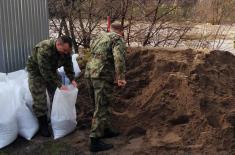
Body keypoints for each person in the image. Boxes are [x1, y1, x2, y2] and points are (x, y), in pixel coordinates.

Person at [85, 22, 127, 152]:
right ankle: (95, 141)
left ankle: (105, 129)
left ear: (110, 29)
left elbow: (91, 51)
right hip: (102, 75)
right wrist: (120, 77)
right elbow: (119, 58)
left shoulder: (99, 36)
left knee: (98, 105)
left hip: (89, 73)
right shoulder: (117, 39)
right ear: (121, 32)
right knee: (102, 107)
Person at [26, 36, 78, 137]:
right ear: (58, 44)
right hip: (36, 72)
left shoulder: (66, 50)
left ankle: (56, 116)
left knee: (57, 94)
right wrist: (59, 84)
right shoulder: (44, 49)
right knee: (40, 98)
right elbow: (45, 72)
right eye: (64, 50)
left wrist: (72, 79)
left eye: (68, 51)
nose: (66, 53)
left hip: (51, 71)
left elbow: (68, 64)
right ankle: (43, 124)